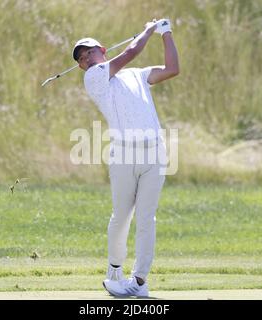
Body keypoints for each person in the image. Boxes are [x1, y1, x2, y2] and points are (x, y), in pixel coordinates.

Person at [72, 18, 179, 297]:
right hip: (123, 155)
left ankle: (140, 281)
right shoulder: (94, 77)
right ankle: (115, 272)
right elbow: (131, 52)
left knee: (146, 218)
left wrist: (166, 33)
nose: (86, 59)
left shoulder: (138, 75)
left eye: (89, 53)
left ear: (102, 49)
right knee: (121, 215)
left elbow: (172, 69)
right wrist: (148, 30)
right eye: (82, 59)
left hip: (154, 153)